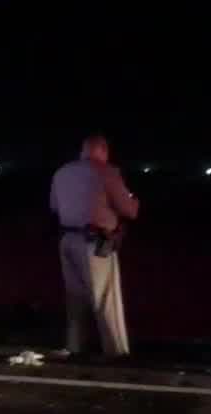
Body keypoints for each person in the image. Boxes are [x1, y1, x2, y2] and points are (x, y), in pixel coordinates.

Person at [50, 135, 139, 358]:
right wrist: (133, 199)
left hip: (67, 240)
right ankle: (116, 353)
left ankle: (75, 348)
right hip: (95, 243)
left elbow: (54, 206)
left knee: (75, 299)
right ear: (103, 150)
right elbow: (129, 210)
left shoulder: (62, 172)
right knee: (106, 300)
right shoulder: (107, 171)